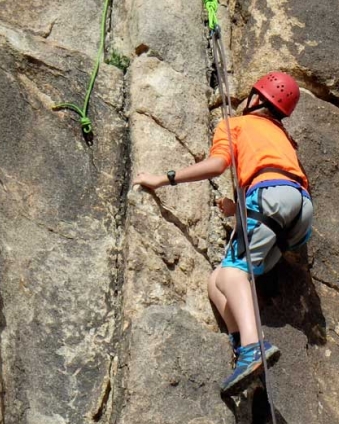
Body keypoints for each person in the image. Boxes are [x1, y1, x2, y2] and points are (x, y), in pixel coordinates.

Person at [132, 72, 313, 394]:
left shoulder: (237, 124)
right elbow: (276, 174)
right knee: (216, 281)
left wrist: (163, 178)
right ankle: (241, 344)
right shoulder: (282, 136)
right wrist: (238, 210)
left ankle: (254, 347)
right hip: (297, 208)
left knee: (232, 274)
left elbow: (217, 165)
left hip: (269, 196)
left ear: (256, 98)